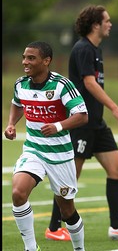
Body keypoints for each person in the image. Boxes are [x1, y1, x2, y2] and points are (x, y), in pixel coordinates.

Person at [45, 5, 118, 241]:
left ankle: (116, 227)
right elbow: (90, 83)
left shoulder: (96, 50)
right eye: (107, 21)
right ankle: (54, 228)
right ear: (95, 25)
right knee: (69, 176)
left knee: (116, 169)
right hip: (81, 123)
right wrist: (115, 107)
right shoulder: (83, 49)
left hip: (96, 123)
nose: (110, 24)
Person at [4, 41, 88, 251]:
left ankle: (80, 249)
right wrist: (11, 124)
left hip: (60, 155)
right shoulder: (20, 84)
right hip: (33, 150)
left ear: (46, 61)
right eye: (24, 57)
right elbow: (17, 104)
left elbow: (82, 116)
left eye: (31, 58)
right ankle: (31, 248)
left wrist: (58, 126)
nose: (25, 62)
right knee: (18, 193)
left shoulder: (61, 85)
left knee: (67, 210)